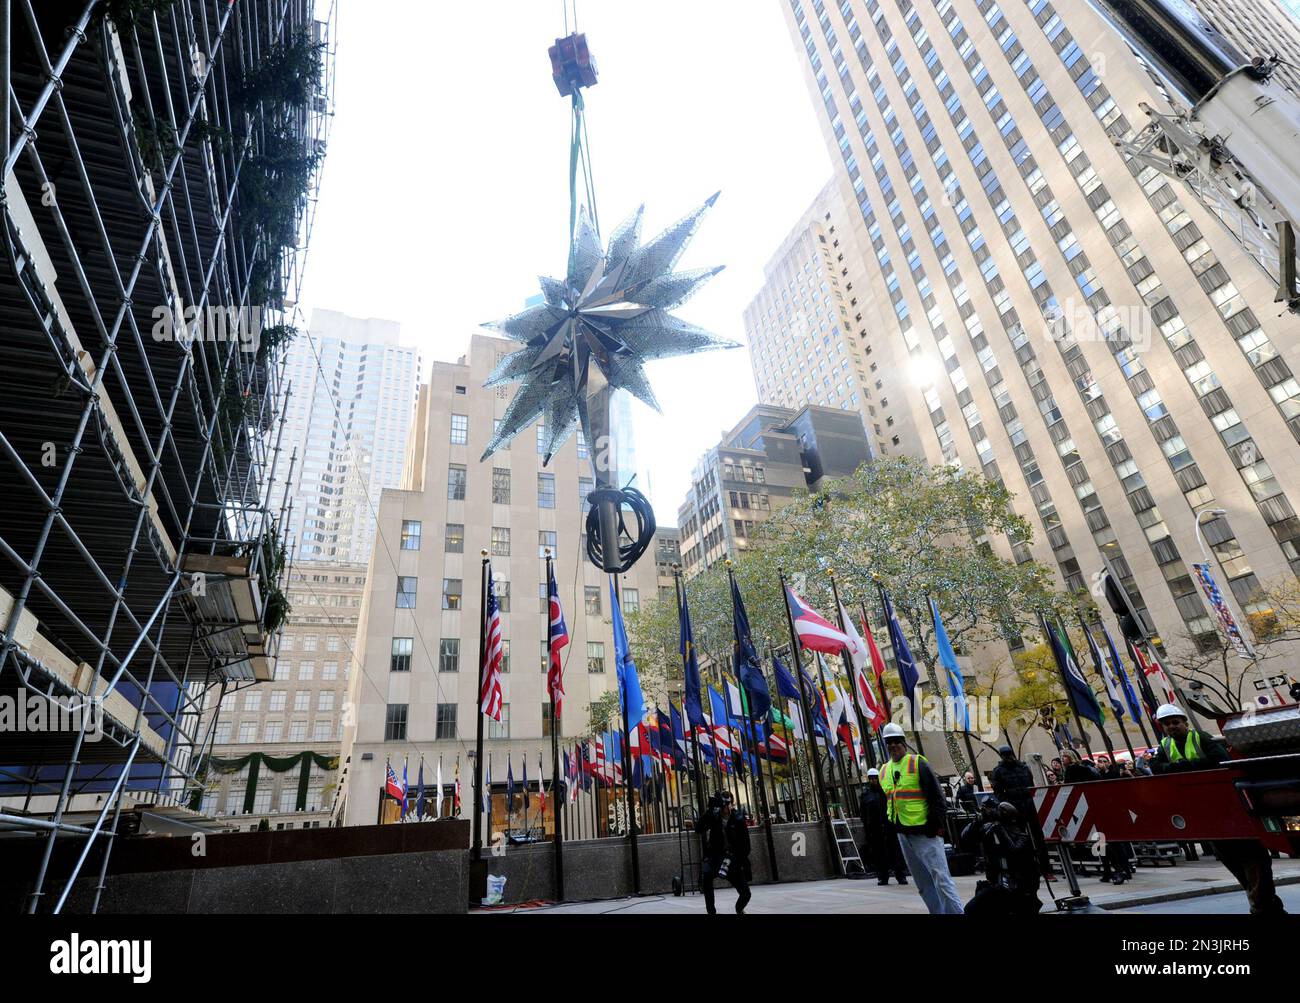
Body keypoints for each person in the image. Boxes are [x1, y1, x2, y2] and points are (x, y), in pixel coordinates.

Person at [1150, 704, 1286, 914]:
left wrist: (1181, 767)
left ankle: (1262, 907)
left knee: (1253, 858)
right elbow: (1156, 769)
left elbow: (1221, 761)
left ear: (1185, 722)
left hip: (1229, 808)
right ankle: (1265, 906)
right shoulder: (1165, 746)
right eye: (1167, 724)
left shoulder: (1201, 738)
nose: (1172, 727)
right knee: (1231, 860)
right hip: (1204, 813)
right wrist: (1191, 766)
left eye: (1175, 722)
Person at [878, 722, 964, 914]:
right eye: (888, 742)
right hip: (903, 834)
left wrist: (935, 825)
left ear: (904, 743)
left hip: (925, 831)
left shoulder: (918, 763)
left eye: (896, 742)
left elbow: (938, 798)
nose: (892, 746)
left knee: (941, 880)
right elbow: (891, 803)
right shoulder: (884, 770)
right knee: (923, 884)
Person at [958, 800, 1043, 915]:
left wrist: (999, 829)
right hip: (998, 886)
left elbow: (1014, 850)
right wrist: (979, 820)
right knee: (971, 908)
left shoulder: (1019, 835)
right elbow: (966, 838)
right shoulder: (989, 829)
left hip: (1018, 889)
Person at [991, 744, 1051, 872]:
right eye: (1005, 755)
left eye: (1009, 754)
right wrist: (1007, 804)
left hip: (1028, 805)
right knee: (1021, 839)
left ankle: (1045, 868)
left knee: (1038, 838)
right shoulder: (999, 771)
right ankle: (1028, 867)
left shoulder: (1023, 768)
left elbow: (1030, 783)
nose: (1008, 757)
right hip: (1014, 808)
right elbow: (998, 791)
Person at [695, 789, 752, 914]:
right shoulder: (714, 817)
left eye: (728, 803)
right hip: (716, 857)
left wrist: (735, 861)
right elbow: (698, 829)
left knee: (746, 894)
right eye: (723, 804)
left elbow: (746, 847)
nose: (725, 807)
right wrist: (709, 810)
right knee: (706, 876)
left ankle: (739, 909)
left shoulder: (738, 818)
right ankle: (711, 912)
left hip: (733, 859)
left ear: (732, 803)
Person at [858, 768, 908, 886]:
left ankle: (900, 875)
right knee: (878, 854)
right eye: (871, 779)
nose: (873, 781)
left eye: (875, 778)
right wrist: (867, 829)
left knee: (895, 852)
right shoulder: (866, 796)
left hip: (889, 827)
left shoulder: (886, 792)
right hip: (875, 829)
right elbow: (863, 814)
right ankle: (882, 876)